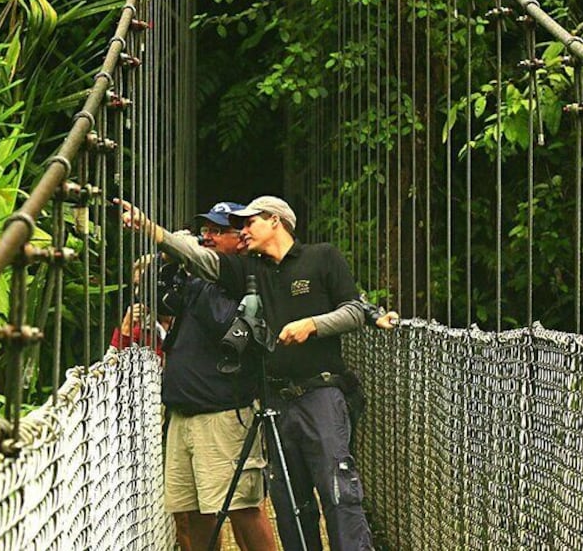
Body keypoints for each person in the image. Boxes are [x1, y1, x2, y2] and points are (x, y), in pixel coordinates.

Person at [115, 195, 399, 551]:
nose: (243, 230)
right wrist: (152, 230)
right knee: (289, 504)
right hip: (276, 400)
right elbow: (201, 258)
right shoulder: (250, 271)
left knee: (338, 492)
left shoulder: (322, 257)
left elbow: (354, 310)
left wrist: (312, 324)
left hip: (321, 393)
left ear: (275, 221)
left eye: (249, 223)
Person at [158, 201, 276, 551]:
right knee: (193, 510)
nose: (206, 237)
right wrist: (167, 267)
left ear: (239, 237)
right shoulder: (194, 278)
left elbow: (226, 326)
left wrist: (192, 271)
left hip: (223, 414)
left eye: (216, 231)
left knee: (240, 507)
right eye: (204, 230)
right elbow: (160, 303)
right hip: (183, 412)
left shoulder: (246, 275)